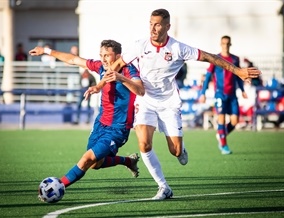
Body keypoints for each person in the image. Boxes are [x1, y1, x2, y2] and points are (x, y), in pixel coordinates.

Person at [85, 9, 261, 200]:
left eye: (158, 24)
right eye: (151, 23)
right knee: (144, 143)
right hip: (146, 101)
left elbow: (211, 57)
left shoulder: (178, 48)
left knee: (175, 150)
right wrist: (100, 85)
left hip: (169, 103)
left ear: (167, 26)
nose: (153, 28)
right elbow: (117, 65)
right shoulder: (139, 45)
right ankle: (163, 187)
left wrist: (237, 71)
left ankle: (181, 148)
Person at [29, 39, 145, 197]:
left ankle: (56, 187)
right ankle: (129, 161)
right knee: (95, 164)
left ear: (118, 56)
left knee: (86, 159)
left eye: (107, 55)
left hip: (118, 129)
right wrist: (46, 51)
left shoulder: (128, 70)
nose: (103, 59)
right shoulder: (101, 68)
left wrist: (121, 78)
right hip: (100, 124)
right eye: (101, 55)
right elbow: (73, 59)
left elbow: (140, 90)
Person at [199, 35, 248, 155]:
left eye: (227, 43)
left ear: (230, 45)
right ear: (220, 44)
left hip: (232, 95)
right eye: (223, 43)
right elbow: (208, 76)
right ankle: (224, 145)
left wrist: (242, 90)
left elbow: (238, 76)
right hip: (220, 94)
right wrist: (203, 93)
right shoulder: (215, 59)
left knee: (235, 121)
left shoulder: (235, 59)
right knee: (221, 118)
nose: (225, 46)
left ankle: (221, 134)